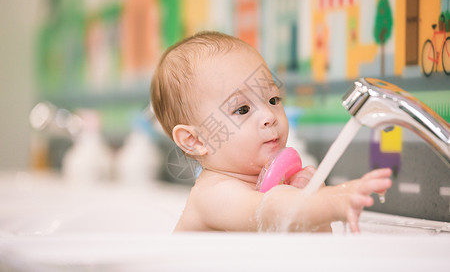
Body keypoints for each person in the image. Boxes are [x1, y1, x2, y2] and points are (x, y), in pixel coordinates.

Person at [151, 31, 391, 233]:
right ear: (194, 140)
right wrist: (330, 203)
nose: (269, 116)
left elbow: (312, 251)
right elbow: (269, 211)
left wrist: (315, 211)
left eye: (273, 99)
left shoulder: (273, 186)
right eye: (242, 109)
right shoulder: (212, 194)